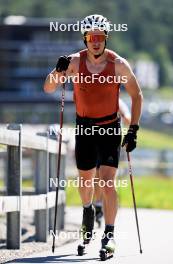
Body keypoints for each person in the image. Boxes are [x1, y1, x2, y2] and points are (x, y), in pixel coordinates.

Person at [44, 14, 143, 255]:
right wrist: (57, 72)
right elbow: (48, 88)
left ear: (105, 38)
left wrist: (133, 129)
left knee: (108, 183)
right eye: (91, 37)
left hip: (109, 128)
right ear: (85, 39)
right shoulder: (74, 62)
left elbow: (136, 95)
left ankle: (108, 236)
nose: (95, 42)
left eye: (100, 37)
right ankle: (88, 211)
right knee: (85, 182)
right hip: (85, 129)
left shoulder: (118, 64)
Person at [94, 98, 131, 227]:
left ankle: (101, 205)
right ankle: (97, 204)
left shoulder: (117, 99)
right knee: (97, 174)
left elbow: (127, 116)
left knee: (106, 178)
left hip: (111, 140)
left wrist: (127, 119)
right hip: (94, 138)